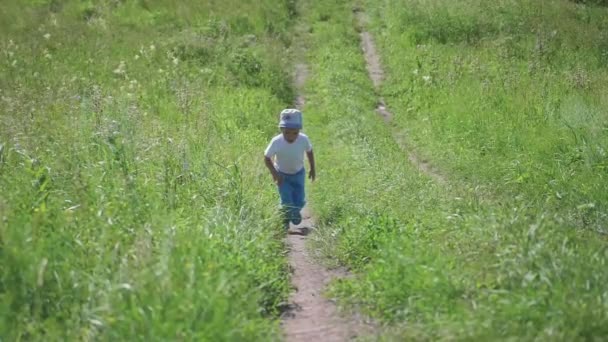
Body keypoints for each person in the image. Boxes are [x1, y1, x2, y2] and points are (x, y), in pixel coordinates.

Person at [264, 108, 316, 229]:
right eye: (287, 132)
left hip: (298, 174)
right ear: (282, 129)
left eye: (294, 133)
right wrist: (274, 174)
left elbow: (309, 151)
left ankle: (290, 213)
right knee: (286, 199)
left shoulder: (303, 139)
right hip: (282, 175)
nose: (290, 136)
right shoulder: (277, 141)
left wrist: (313, 168)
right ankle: (285, 220)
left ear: (299, 130)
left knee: (300, 200)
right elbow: (266, 158)